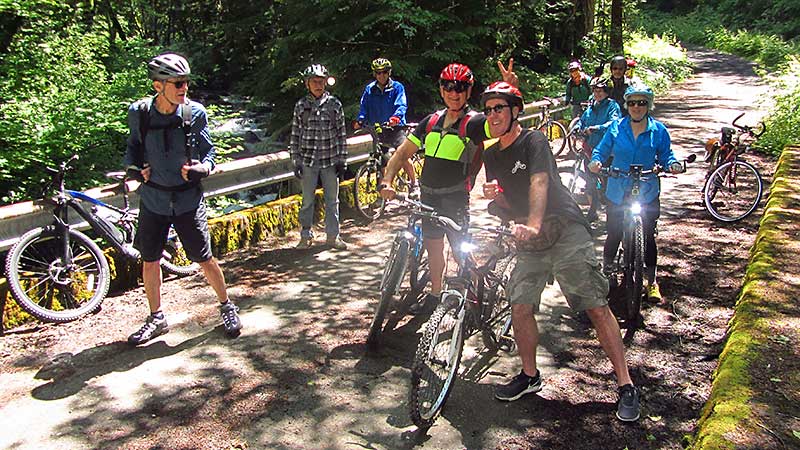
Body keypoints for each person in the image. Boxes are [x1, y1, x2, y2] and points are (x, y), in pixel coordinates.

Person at [479, 81, 640, 422]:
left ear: (514, 111)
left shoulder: (533, 141)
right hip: (530, 237)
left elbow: (540, 181)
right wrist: (496, 195)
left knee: (595, 306)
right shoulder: (491, 153)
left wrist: (535, 223)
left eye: (500, 108)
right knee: (519, 305)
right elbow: (508, 203)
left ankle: (626, 384)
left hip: (563, 228)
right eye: (489, 109)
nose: (493, 115)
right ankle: (529, 376)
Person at [380, 60, 516, 315]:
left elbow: (501, 123)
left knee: (460, 249)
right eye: (449, 87)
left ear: (468, 90)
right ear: (441, 89)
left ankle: (478, 295)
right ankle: (435, 293)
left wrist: (506, 91)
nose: (454, 93)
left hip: (454, 198)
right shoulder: (430, 122)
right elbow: (401, 153)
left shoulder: (474, 123)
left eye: (460, 88)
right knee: (433, 247)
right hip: (428, 196)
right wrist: (387, 180)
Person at [124, 52, 242, 345]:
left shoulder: (194, 112)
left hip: (188, 199)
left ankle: (227, 306)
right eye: (176, 83)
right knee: (149, 260)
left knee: (204, 258)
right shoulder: (139, 113)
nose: (183, 88)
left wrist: (204, 168)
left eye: (185, 82)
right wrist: (136, 171)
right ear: (157, 86)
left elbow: (210, 152)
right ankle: (157, 317)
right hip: (153, 200)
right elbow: (133, 150)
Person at [589, 82, 683, 302]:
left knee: (648, 235)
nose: (637, 107)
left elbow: (666, 154)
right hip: (618, 187)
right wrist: (596, 162)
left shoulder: (658, 130)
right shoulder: (616, 128)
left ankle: (651, 281)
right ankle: (608, 271)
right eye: (632, 103)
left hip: (647, 188)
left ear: (648, 105)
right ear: (627, 105)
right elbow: (601, 151)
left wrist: (673, 164)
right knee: (614, 232)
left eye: (641, 103)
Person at [291, 64, 348, 250]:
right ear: (307, 83)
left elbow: (341, 134)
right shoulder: (301, 105)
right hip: (308, 161)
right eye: (314, 81)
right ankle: (306, 235)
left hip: (330, 160)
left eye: (321, 81)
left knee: (333, 201)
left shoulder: (334, 105)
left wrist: (342, 160)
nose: (318, 85)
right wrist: (296, 159)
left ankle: (333, 236)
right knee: (307, 201)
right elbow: (295, 134)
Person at [354, 58, 418, 193]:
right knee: (382, 161)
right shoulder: (370, 89)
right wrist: (360, 120)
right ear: (374, 74)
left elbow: (401, 105)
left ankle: (414, 184)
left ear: (389, 73)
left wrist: (395, 117)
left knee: (403, 154)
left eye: (384, 72)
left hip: (396, 127)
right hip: (379, 128)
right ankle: (386, 192)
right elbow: (364, 107)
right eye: (378, 73)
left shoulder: (397, 87)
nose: (381, 75)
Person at [574, 76, 621, 222]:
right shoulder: (591, 107)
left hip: (606, 149)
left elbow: (614, 122)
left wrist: (597, 128)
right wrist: (577, 128)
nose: (598, 94)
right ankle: (593, 210)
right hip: (590, 147)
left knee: (608, 182)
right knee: (589, 180)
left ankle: (611, 213)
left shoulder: (612, 106)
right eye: (595, 91)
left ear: (607, 92)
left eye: (601, 91)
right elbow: (582, 121)